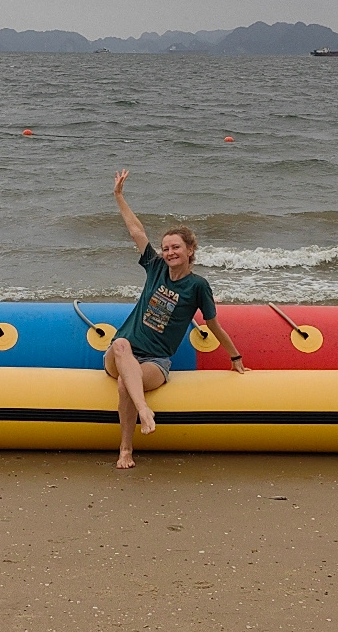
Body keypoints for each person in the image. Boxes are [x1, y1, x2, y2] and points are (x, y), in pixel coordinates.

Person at [105, 169, 245, 469]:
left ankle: (126, 451)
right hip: (120, 354)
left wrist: (235, 356)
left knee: (125, 385)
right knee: (120, 344)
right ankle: (144, 411)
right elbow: (136, 231)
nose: (169, 252)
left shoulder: (198, 286)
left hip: (156, 362)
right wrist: (118, 196)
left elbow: (213, 324)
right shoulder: (155, 268)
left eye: (176, 247)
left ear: (190, 250)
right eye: (166, 248)